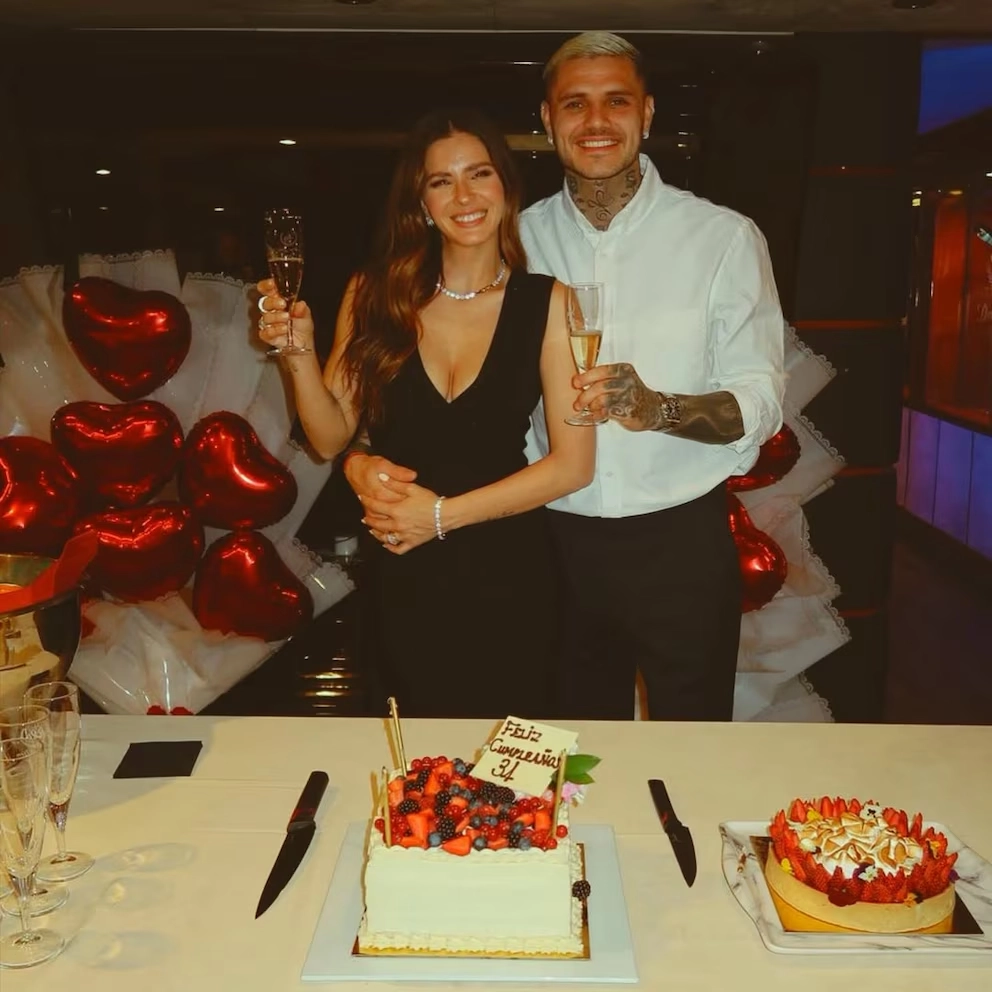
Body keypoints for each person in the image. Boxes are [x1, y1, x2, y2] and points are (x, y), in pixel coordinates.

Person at [346, 33, 786, 723]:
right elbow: (420, 384)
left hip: (677, 541)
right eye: (575, 104)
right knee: (567, 745)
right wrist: (360, 457)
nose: (596, 121)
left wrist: (658, 408)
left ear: (647, 113)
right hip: (551, 545)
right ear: (548, 120)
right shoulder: (509, 237)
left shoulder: (722, 239)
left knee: (693, 742)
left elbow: (760, 402)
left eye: (617, 101)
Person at [256, 108, 594, 719]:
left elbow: (573, 466)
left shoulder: (549, 303)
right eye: (442, 181)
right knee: (411, 746)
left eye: (479, 174)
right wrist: (298, 352)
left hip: (509, 570)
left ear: (505, 186)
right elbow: (328, 438)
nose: (464, 196)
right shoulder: (374, 292)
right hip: (402, 572)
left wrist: (438, 517)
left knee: (509, 751)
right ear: (422, 201)